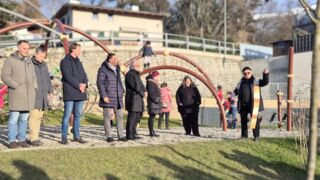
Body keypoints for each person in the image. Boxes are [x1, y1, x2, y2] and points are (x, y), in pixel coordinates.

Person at [1, 40, 37, 149]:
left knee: (24, 119)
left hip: (28, 96)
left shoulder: (29, 61)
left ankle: (21, 139)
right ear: (18, 48)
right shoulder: (10, 60)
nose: (27, 50)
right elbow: (5, 76)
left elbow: (34, 76)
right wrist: (15, 85)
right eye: (24, 48)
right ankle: (12, 140)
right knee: (13, 119)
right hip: (16, 95)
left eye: (28, 48)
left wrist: (35, 88)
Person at [60, 42, 88, 144]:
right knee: (67, 115)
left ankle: (77, 135)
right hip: (70, 92)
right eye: (79, 49)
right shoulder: (64, 61)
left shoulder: (79, 62)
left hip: (80, 92)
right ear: (73, 49)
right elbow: (67, 76)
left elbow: (84, 74)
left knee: (78, 115)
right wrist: (78, 85)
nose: (80, 51)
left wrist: (85, 84)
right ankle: (64, 137)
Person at [97, 53, 127, 142]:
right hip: (108, 96)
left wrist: (121, 90)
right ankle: (109, 136)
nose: (116, 60)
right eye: (114, 58)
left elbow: (125, 72)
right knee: (107, 117)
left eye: (116, 58)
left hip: (118, 96)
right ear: (109, 60)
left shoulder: (117, 69)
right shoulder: (103, 69)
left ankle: (121, 136)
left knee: (120, 116)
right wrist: (104, 95)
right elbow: (100, 83)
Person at [234, 66, 269, 141]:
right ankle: (244, 136)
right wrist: (231, 94)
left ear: (251, 72)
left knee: (254, 121)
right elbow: (235, 91)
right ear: (243, 74)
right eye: (245, 73)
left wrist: (265, 74)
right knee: (243, 121)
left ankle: (256, 136)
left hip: (253, 104)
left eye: (248, 73)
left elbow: (265, 82)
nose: (247, 74)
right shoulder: (240, 82)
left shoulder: (255, 80)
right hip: (243, 105)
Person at [28, 46, 53, 146]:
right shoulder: (29, 64)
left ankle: (35, 137)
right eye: (41, 56)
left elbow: (47, 79)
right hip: (34, 95)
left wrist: (50, 91)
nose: (43, 58)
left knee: (39, 117)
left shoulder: (44, 65)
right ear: (36, 54)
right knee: (33, 116)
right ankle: (33, 138)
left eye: (44, 56)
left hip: (43, 96)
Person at [125, 59, 146, 140]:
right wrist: (142, 93)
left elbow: (141, 85)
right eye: (137, 65)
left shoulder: (137, 75)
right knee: (132, 117)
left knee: (137, 117)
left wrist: (145, 90)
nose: (138, 67)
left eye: (139, 65)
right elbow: (135, 86)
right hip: (132, 99)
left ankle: (134, 133)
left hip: (138, 99)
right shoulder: (129, 74)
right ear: (132, 66)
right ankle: (129, 135)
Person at [146, 71, 161, 137]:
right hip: (153, 102)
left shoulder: (153, 82)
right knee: (151, 117)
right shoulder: (150, 83)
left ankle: (152, 131)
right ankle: (151, 132)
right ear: (155, 76)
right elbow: (151, 93)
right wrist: (156, 100)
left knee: (153, 117)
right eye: (158, 76)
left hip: (154, 102)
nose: (159, 77)